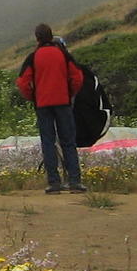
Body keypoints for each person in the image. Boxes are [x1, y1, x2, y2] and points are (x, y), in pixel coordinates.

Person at [16, 23, 85, 194]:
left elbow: (23, 82)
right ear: (51, 36)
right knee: (68, 142)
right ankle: (75, 182)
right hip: (63, 103)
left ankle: (54, 184)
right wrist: (70, 93)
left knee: (48, 142)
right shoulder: (63, 54)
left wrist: (33, 97)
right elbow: (77, 77)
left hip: (43, 105)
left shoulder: (33, 57)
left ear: (37, 38)